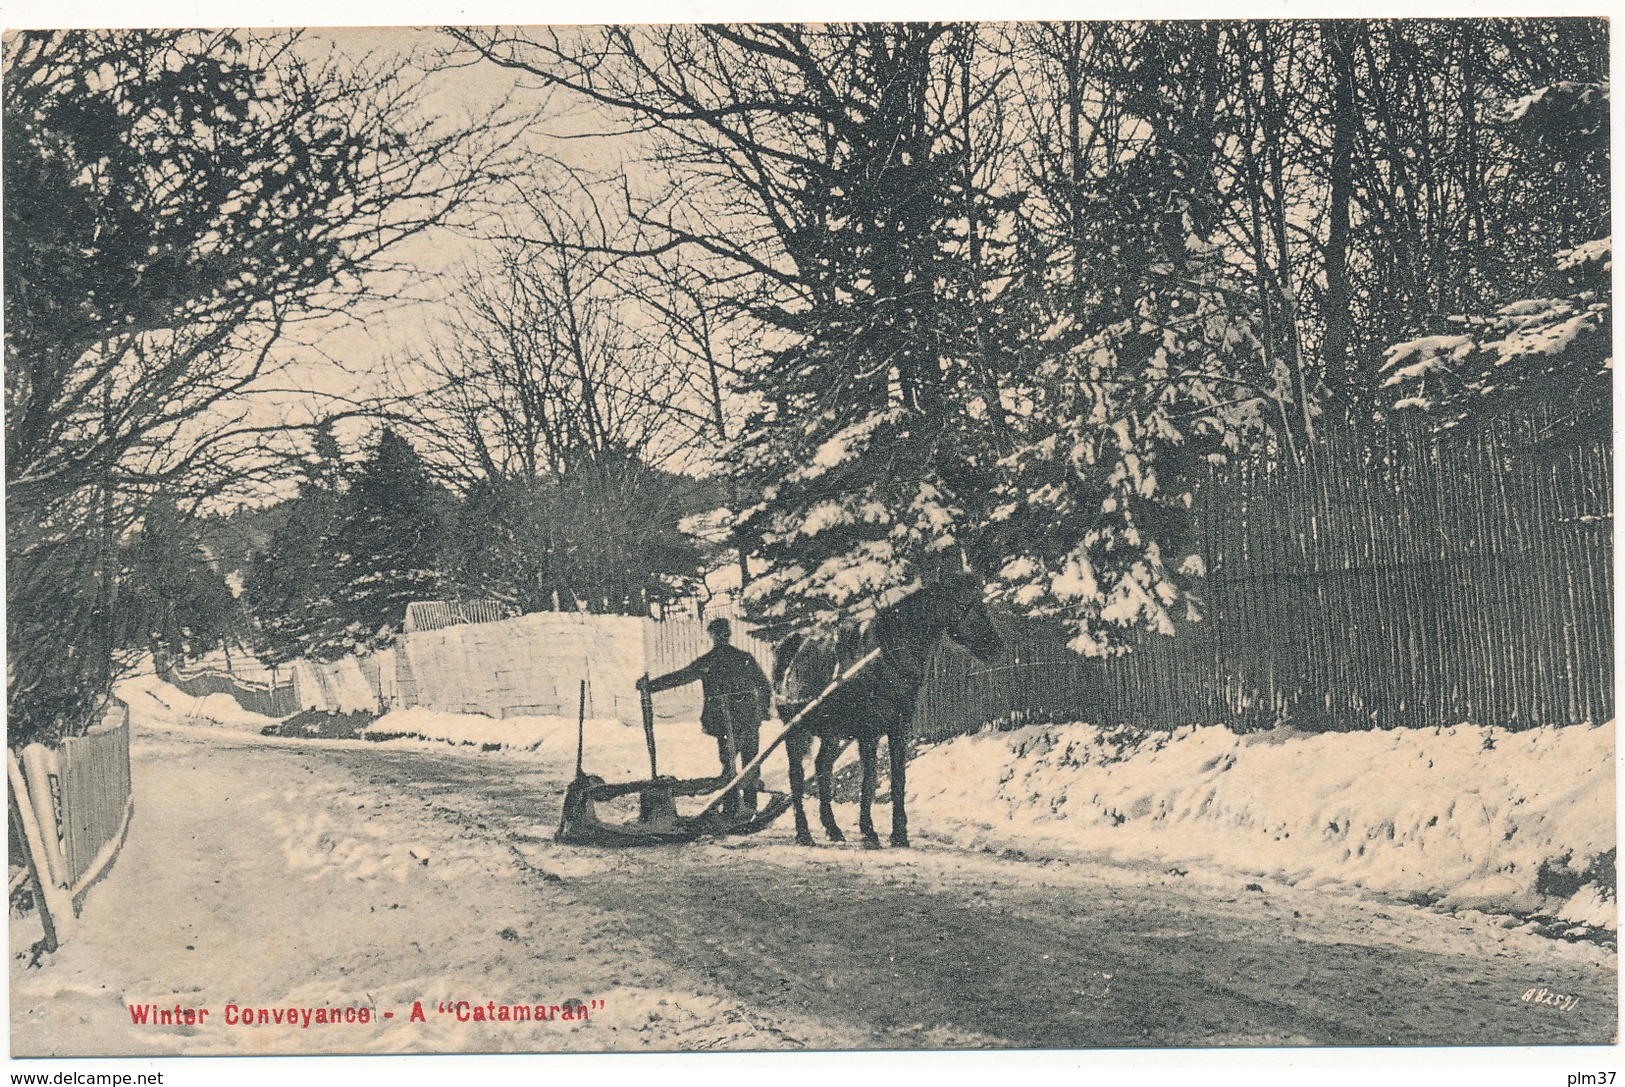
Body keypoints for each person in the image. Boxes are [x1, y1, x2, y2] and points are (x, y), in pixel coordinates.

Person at [638, 618, 774, 815]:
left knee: (730, 766)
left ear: (712, 636)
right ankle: (748, 807)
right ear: (728, 634)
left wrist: (651, 686)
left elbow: (682, 676)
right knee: (750, 763)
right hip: (747, 719)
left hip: (728, 721)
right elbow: (764, 685)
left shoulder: (710, 661)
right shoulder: (744, 658)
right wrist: (762, 711)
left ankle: (732, 808)